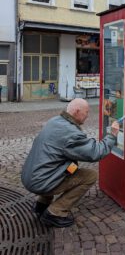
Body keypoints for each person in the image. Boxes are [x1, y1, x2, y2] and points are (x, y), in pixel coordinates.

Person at [21, 98, 119, 228]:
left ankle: (41, 204)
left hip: (30, 176)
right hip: (41, 182)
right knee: (90, 176)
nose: (88, 115)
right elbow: (95, 152)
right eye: (86, 112)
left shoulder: (54, 121)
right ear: (77, 112)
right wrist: (112, 135)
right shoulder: (71, 133)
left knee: (70, 168)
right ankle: (54, 212)